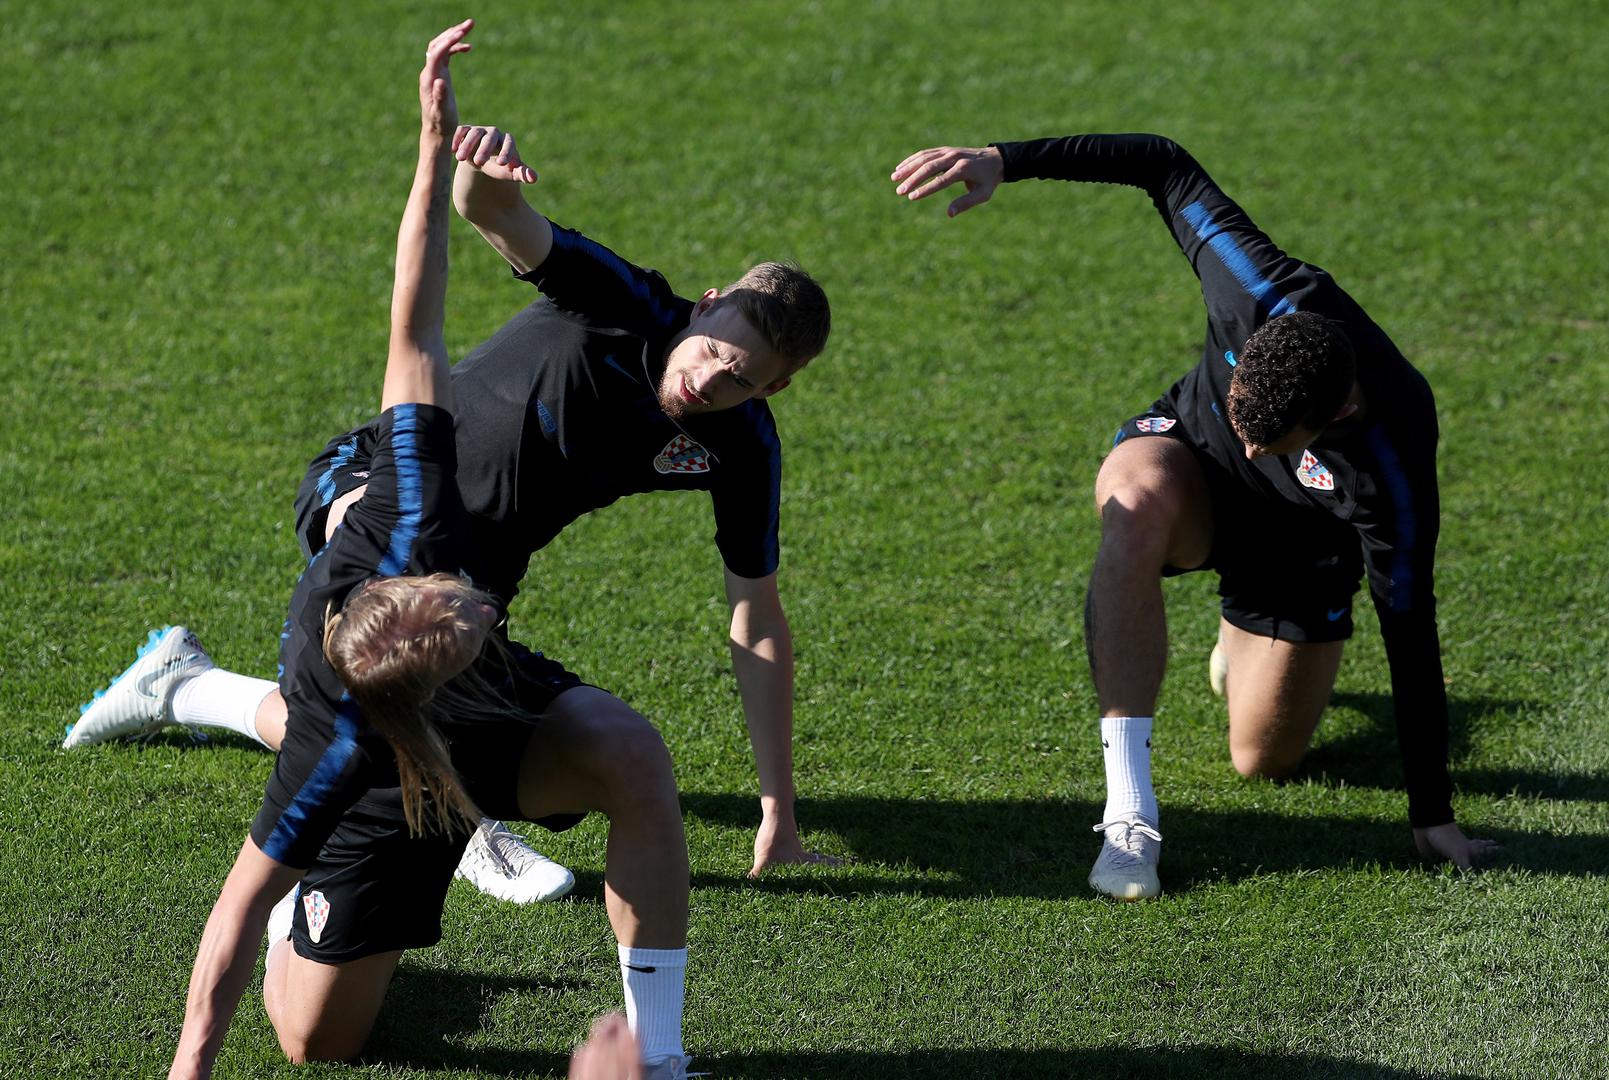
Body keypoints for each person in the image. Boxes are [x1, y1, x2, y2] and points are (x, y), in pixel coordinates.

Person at [68, 41, 835, 894]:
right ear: (709, 302)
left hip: (483, 568)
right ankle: (467, 826)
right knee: (391, 643)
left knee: (369, 713)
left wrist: (778, 809)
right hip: (375, 479)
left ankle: (184, 685)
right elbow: (497, 217)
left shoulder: (742, 446)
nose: (709, 383)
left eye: (743, 383)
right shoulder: (630, 304)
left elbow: (755, 618)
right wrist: (482, 167)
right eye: (715, 353)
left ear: (779, 387)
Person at [168, 24, 691, 1078]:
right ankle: (190, 691)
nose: (485, 606)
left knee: (632, 753)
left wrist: (429, 142)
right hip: (387, 774)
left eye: (461, 601)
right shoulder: (339, 756)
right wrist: (189, 1068)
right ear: (418, 686)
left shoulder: (413, 518)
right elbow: (231, 913)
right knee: (318, 1043)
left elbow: (414, 325)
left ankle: (664, 1055)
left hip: (443, 720)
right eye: (467, 625)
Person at [890, 135, 1498, 900]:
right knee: (1132, 507)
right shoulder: (1253, 287)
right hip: (1186, 463)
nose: (1252, 448)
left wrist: (1430, 815)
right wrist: (1004, 160)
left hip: (1298, 541)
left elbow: (1410, 628)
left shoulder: (1391, 468)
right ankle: (1128, 818)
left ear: (1336, 413)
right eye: (1245, 420)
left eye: (1265, 441)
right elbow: (1161, 162)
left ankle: (1242, 631)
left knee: (1261, 761)